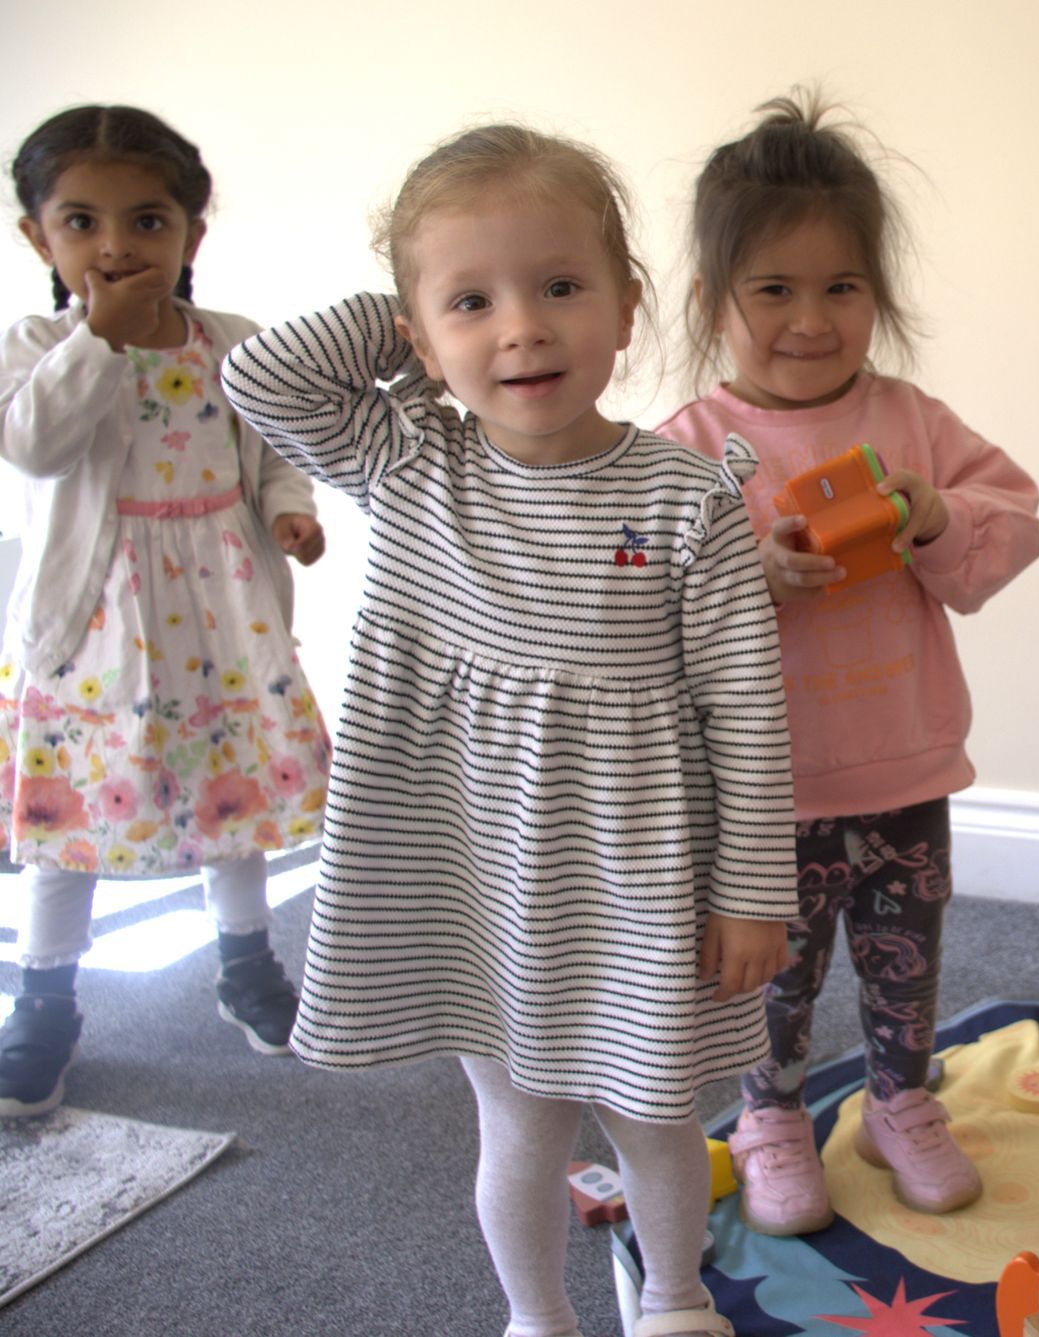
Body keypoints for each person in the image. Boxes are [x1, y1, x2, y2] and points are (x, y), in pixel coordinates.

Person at [221, 125, 795, 1337]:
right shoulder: (409, 458)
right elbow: (265, 378)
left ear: (628, 307)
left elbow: (745, 705)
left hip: (639, 875)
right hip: (479, 879)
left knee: (655, 1117)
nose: (522, 327)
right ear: (419, 340)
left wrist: (748, 891)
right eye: (474, 302)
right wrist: (412, 320)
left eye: (561, 286)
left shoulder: (687, 494)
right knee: (520, 1123)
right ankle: (536, 1313)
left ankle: (676, 1295)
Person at [658, 92, 1039, 1235]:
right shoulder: (688, 447)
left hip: (901, 765)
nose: (810, 319)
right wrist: (749, 573)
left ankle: (898, 1097)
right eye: (773, 289)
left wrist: (930, 512)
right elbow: (638, 604)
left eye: (842, 287)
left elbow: (1011, 522)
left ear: (878, 293)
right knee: (770, 971)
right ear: (710, 302)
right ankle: (767, 1111)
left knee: (901, 953)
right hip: (760, 789)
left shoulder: (913, 418)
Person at [0, 106, 330, 1117]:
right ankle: (45, 999)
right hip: (102, 622)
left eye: (147, 221)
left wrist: (288, 510)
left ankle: (247, 965)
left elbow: (276, 450)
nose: (115, 246)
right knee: (74, 817)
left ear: (190, 232)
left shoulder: (234, 344)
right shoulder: (41, 343)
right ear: (38, 237)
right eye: (82, 222)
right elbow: (36, 444)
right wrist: (97, 340)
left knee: (230, 795)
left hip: (222, 614)